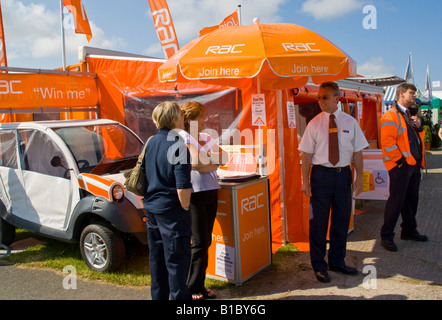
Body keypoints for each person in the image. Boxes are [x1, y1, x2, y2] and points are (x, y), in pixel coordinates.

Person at [298, 81, 368, 283]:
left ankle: (337, 261)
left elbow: (357, 152)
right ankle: (319, 266)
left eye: (325, 97)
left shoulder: (350, 122)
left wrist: (360, 179)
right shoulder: (314, 124)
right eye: (318, 97)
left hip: (343, 175)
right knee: (318, 223)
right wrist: (305, 181)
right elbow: (307, 155)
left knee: (341, 221)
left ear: (337, 98)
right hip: (321, 176)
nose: (321, 101)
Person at [179, 101, 228, 300]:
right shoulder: (183, 136)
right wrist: (210, 160)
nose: (204, 119)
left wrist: (208, 160)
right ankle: (192, 287)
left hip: (210, 191)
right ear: (190, 120)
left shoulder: (206, 137)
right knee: (199, 242)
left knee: (205, 240)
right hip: (195, 195)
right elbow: (196, 163)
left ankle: (198, 283)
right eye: (200, 116)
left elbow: (224, 158)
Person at [143, 101, 192, 300]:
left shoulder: (150, 142)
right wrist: (186, 207)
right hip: (172, 213)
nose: (184, 118)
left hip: (153, 210)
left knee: (157, 262)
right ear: (173, 119)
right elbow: (183, 187)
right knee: (177, 265)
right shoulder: (178, 145)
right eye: (181, 115)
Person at [380, 83, 428, 252]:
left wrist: (419, 126)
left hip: (413, 166)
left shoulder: (408, 115)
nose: (414, 96)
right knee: (396, 201)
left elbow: (417, 140)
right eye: (411, 93)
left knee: (411, 200)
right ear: (401, 94)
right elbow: (387, 142)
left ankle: (409, 230)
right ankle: (386, 236)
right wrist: (400, 161)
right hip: (401, 166)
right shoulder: (390, 115)